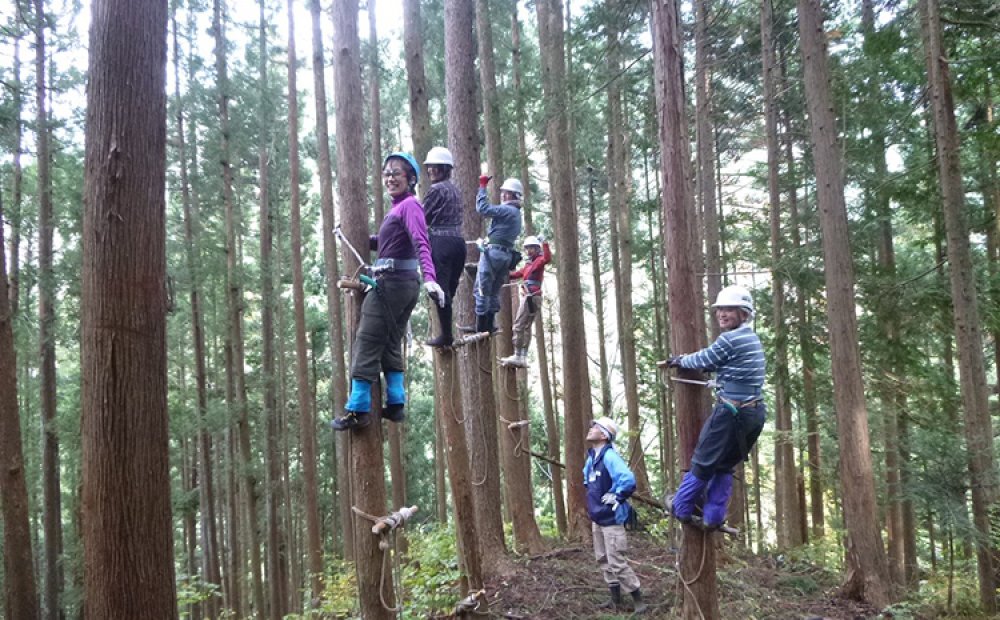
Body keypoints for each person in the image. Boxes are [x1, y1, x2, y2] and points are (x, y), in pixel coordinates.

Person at [332, 152, 445, 431]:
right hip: (400, 284)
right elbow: (387, 243)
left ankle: (358, 409)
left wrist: (431, 278)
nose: (391, 178)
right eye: (387, 173)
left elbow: (421, 241)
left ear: (411, 178)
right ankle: (396, 404)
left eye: (397, 173)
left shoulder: (410, 206)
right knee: (390, 343)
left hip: (392, 284)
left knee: (367, 340)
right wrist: (349, 235)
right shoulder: (399, 209)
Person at [666, 285, 766, 529]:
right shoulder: (750, 337)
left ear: (744, 313)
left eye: (729, 309)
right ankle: (713, 517)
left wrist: (680, 360)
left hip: (731, 413)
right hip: (754, 413)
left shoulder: (731, 339)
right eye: (720, 309)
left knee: (702, 461)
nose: (722, 314)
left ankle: (681, 506)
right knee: (724, 464)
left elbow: (705, 358)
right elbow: (726, 363)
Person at [584, 417, 647, 614]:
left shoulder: (610, 456)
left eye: (595, 427)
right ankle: (615, 599)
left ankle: (638, 600)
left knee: (616, 561)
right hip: (598, 518)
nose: (591, 429)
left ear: (603, 435)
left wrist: (617, 496)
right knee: (602, 558)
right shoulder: (592, 458)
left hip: (611, 519)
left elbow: (628, 480)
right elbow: (587, 480)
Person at [462, 175, 523, 335]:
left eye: (507, 193)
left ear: (514, 196)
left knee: (482, 288)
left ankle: (481, 327)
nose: (503, 195)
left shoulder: (508, 210)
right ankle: (490, 324)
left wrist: (482, 187)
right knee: (494, 290)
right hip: (504, 255)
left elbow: (483, 209)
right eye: (503, 192)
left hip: (494, 254)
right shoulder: (516, 214)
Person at [421, 146, 465, 348]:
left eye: (435, 167)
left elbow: (422, 217)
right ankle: (446, 332)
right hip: (458, 243)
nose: (431, 170)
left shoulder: (436, 190)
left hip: (441, 242)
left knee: (440, 290)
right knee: (449, 291)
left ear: (444, 169)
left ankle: (446, 335)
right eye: (429, 167)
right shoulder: (455, 190)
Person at [499, 235, 552, 368]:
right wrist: (500, 272)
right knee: (526, 327)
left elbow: (547, 258)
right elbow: (515, 275)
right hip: (532, 296)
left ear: (537, 248)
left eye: (531, 248)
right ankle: (522, 356)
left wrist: (544, 243)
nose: (528, 251)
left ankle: (518, 354)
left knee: (519, 325)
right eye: (527, 249)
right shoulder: (529, 265)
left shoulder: (539, 260)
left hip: (531, 296)